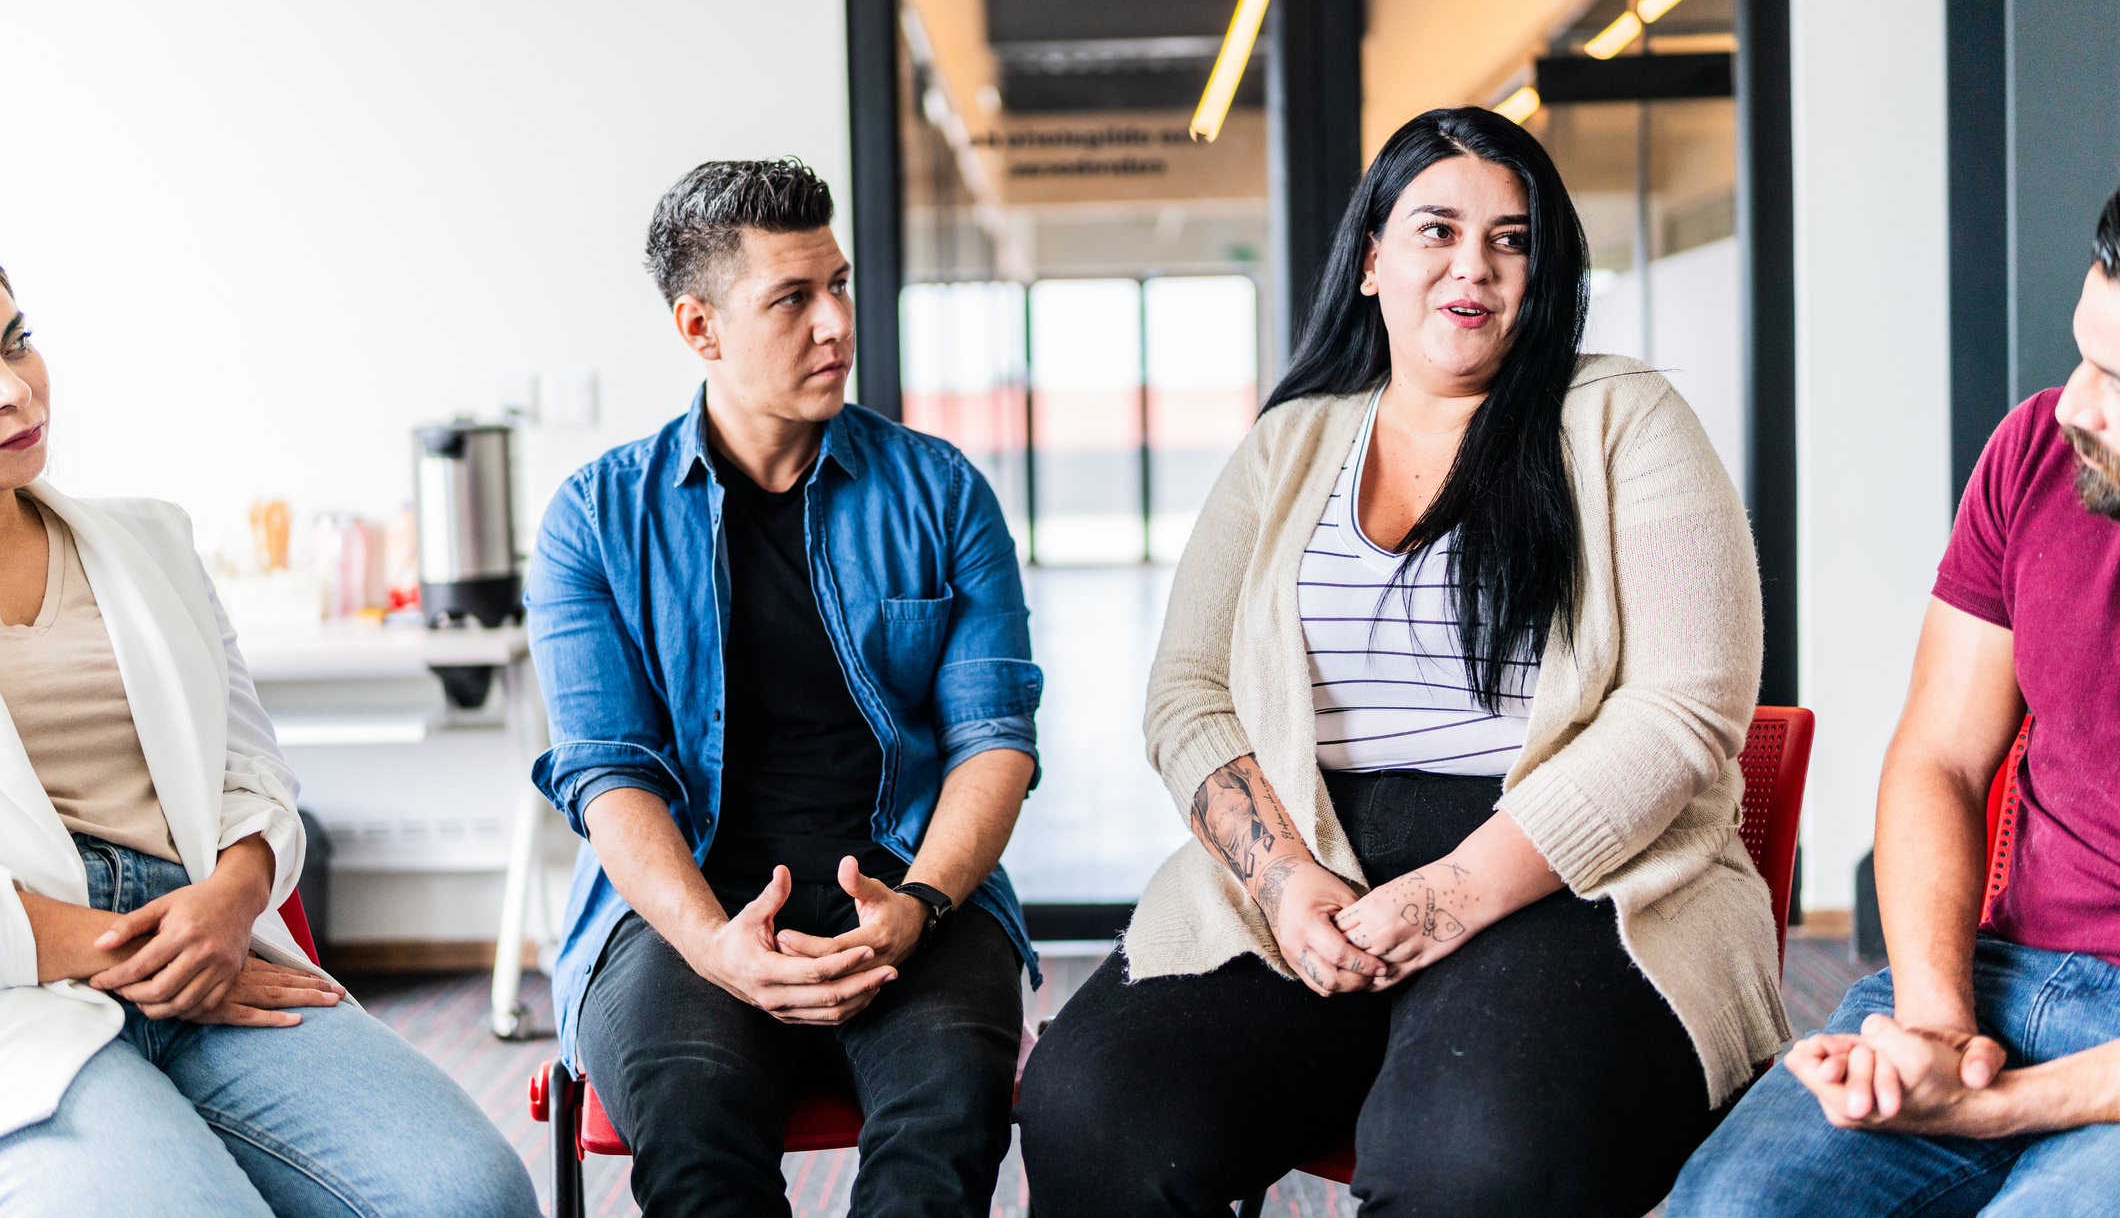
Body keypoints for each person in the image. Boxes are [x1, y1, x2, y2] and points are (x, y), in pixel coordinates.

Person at [1016, 107, 1786, 1218]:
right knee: (1096, 1109)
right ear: (1371, 259)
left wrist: (1450, 894)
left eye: (1511, 238)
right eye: (1436, 229)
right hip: (1312, 866)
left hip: (1568, 876)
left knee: (1473, 1163)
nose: (1473, 264)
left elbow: (1682, 712)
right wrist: (1280, 882)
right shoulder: (1287, 445)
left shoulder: (1624, 417)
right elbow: (1186, 693)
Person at [527, 158, 1044, 1218]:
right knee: (694, 1127)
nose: (834, 325)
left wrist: (921, 903)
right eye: (792, 299)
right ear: (699, 329)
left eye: (839, 285)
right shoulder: (594, 520)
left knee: (947, 1119)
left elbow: (995, 737)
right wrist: (713, 941)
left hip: (907, 887)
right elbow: (608, 772)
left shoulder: (940, 493)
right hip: (692, 901)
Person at [0, 268, 536, 1217]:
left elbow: (250, 769)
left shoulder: (150, 544)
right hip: (26, 984)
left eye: (14, 341)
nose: (15, 389)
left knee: (472, 1198)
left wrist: (229, 899)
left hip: (212, 933)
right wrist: (133, 950)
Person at [1667, 190, 2120, 1216]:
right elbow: (1940, 758)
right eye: (2082, 355)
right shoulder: (2034, 458)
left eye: (2116, 380)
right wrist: (1934, 1024)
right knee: (1730, 1207)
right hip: (1998, 973)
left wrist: (1987, 1106)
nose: (2071, 404)